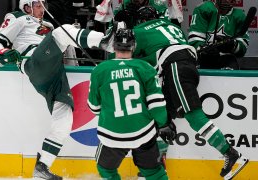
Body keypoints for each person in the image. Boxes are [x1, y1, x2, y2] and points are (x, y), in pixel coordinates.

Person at [0, 0, 121, 179]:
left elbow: (66, 47)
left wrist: (75, 65)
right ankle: (105, 42)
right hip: (34, 62)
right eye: (38, 5)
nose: (42, 9)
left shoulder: (48, 25)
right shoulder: (18, 18)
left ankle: (42, 167)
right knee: (61, 32)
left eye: (43, 6)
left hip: (54, 72)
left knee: (63, 121)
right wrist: (1, 53)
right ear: (27, 7)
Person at [129, 6, 249, 179]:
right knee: (164, 118)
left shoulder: (139, 31)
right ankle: (154, 168)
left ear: (140, 20)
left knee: (192, 113)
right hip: (184, 66)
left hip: (176, 67)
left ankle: (231, 155)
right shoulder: (173, 27)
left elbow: (129, 57)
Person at [87, 28, 176, 180]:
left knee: (105, 170)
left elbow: (94, 107)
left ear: (113, 46)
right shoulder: (145, 67)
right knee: (155, 172)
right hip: (143, 132)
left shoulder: (99, 70)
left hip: (112, 134)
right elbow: (156, 104)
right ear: (133, 46)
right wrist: (163, 123)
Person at [188, 0, 249, 69]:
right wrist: (204, 50)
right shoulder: (204, 9)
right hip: (204, 60)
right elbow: (195, 40)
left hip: (227, 61)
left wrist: (233, 45)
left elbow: (243, 48)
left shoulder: (239, 15)